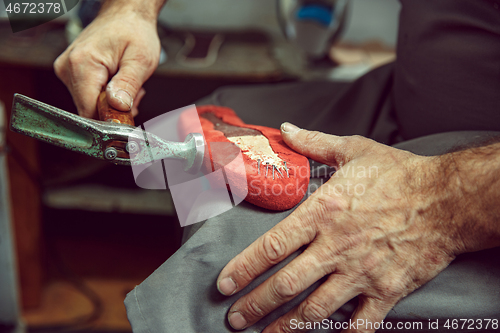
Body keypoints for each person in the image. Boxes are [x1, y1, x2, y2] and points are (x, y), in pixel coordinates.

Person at [54, 0, 500, 332]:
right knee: (203, 122)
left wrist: (435, 202)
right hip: (404, 96)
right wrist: (131, 11)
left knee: (228, 272)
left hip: (477, 179)